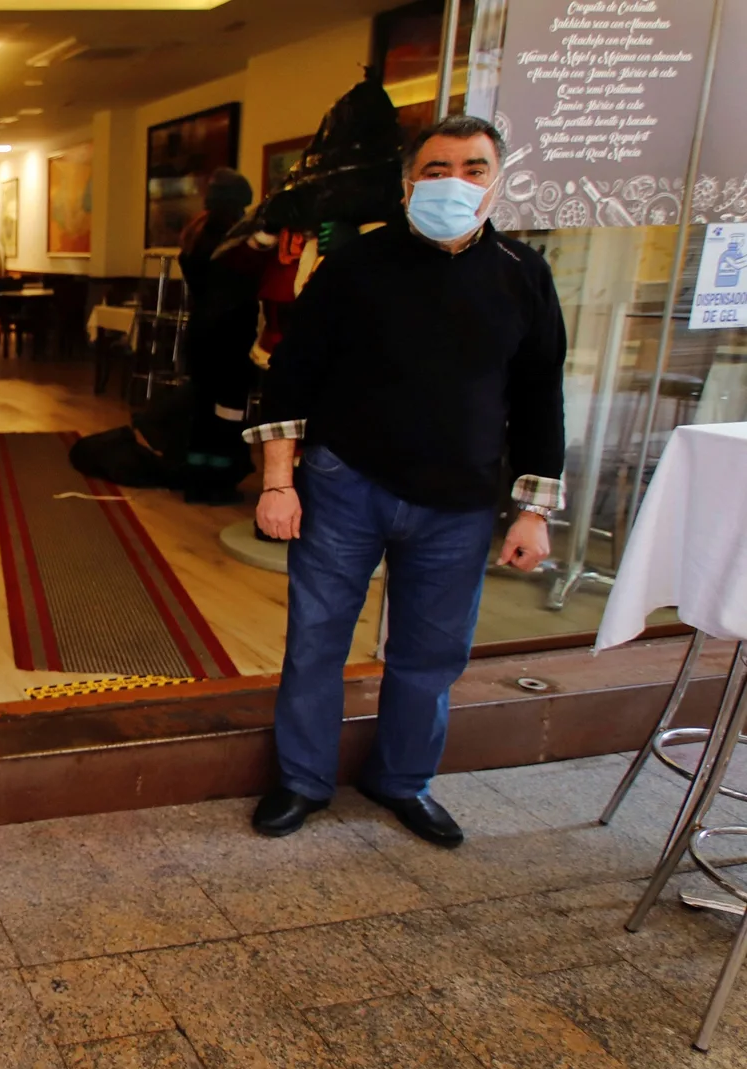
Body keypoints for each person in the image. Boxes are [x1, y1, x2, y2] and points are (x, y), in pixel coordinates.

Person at [244, 114, 566, 847]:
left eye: (474, 169)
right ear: (407, 182)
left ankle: (403, 779)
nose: (454, 183)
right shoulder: (353, 266)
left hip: (460, 499)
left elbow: (542, 394)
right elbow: (293, 376)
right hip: (345, 481)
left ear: (498, 180)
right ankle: (301, 778)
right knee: (317, 638)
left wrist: (533, 510)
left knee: (432, 651)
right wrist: (277, 481)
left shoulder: (523, 273)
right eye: (436, 169)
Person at [176, 168, 259, 504]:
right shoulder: (237, 238)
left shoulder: (195, 232)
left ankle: (196, 481)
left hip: (200, 329)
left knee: (202, 405)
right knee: (229, 409)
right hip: (232, 332)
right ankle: (221, 482)